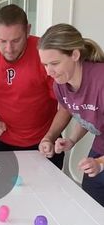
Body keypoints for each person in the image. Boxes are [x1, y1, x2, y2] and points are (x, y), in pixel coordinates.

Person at [0, 4, 64, 169]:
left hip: (44, 141)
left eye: (16, 40)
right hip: (3, 142)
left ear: (28, 30)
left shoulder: (46, 54)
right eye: (2, 40)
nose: (9, 49)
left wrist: (50, 136)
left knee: (48, 192)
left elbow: (66, 103)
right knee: (5, 192)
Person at [38, 23, 104, 206]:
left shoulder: (101, 81)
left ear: (75, 55)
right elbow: (85, 110)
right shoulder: (60, 84)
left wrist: (101, 163)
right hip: (101, 145)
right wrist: (71, 140)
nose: (49, 72)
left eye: (54, 63)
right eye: (45, 65)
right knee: (91, 198)